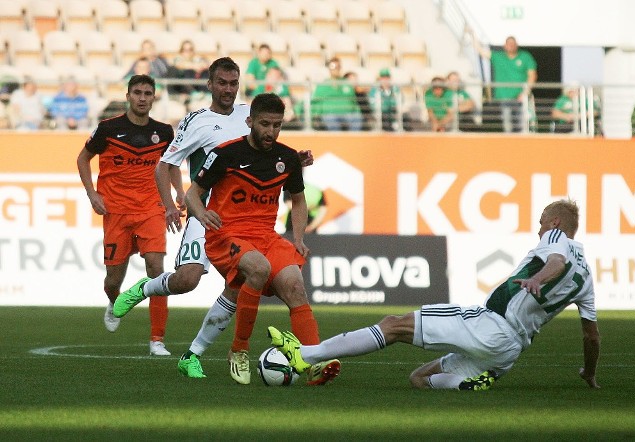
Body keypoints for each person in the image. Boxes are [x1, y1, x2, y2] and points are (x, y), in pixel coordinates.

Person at [112, 58, 317, 384]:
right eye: (222, 83)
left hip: (247, 221)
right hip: (206, 213)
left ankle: (193, 355)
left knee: (239, 288)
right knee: (187, 280)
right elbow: (165, 165)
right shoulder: (197, 120)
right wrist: (170, 205)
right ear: (210, 84)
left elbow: (270, 153)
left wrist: (295, 160)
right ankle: (146, 288)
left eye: (233, 83)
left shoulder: (250, 114)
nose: (228, 89)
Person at [268, 199, 601, 391]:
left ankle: (306, 355)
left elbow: (556, 262)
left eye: (542, 222)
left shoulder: (557, 237)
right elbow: (591, 336)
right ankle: (463, 385)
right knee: (420, 379)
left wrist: (538, 278)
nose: (539, 229)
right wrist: (589, 372)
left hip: (490, 324)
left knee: (394, 325)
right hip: (508, 352)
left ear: (556, 222)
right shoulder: (587, 278)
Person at [77, 74, 182, 356]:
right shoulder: (108, 129)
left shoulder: (164, 132)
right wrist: (92, 193)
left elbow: (170, 166)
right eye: (137, 92)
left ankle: (157, 340)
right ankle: (114, 303)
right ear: (128, 96)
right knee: (113, 281)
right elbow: (82, 158)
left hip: (151, 208)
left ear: (154, 97)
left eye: (148, 93)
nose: (142, 98)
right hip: (116, 211)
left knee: (156, 270)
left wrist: (177, 195)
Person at [470, 32, 537, 133]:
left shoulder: (525, 57)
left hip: (521, 98)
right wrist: (472, 34)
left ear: (516, 45)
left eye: (513, 43)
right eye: (508, 44)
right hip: (504, 97)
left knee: (523, 126)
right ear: (504, 46)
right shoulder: (498, 56)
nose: (511, 46)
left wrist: (525, 92)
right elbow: (480, 50)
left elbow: (532, 76)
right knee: (508, 126)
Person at [310, 57, 362, 131]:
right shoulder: (323, 85)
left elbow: (353, 101)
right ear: (329, 68)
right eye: (333, 66)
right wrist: (315, 116)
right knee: (332, 122)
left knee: (357, 118)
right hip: (330, 114)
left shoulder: (347, 83)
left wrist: (357, 111)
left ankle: (353, 142)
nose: (336, 69)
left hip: (348, 113)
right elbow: (316, 102)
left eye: (338, 66)